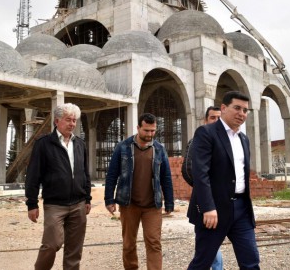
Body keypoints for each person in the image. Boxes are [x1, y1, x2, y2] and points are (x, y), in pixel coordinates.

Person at [187, 91, 260, 269]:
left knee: (251, 261)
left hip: (242, 209)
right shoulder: (206, 133)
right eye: (237, 108)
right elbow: (200, 173)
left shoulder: (244, 139)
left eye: (245, 110)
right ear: (224, 108)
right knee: (202, 262)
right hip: (215, 210)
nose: (241, 113)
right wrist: (208, 207)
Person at [25, 103, 92, 270]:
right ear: (56, 121)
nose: (72, 124)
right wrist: (32, 204)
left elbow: (85, 173)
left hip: (78, 203)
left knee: (74, 249)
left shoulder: (80, 144)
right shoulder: (44, 144)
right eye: (68, 120)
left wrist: (88, 198)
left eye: (74, 120)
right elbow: (33, 175)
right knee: (51, 244)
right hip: (55, 205)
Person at [104, 113, 174, 270]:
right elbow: (112, 174)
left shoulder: (159, 149)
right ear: (138, 128)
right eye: (146, 130)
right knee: (129, 244)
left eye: (153, 131)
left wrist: (169, 202)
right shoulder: (123, 147)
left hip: (152, 206)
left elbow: (166, 178)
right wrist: (109, 199)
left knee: (154, 243)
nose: (150, 134)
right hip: (129, 204)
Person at [188, 106, 223, 270]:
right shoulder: (198, 140)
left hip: (224, 203)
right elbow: (189, 170)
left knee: (211, 246)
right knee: (206, 248)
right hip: (203, 204)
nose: (216, 121)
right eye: (213, 118)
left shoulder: (229, 141)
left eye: (219, 118)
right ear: (206, 120)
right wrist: (203, 187)